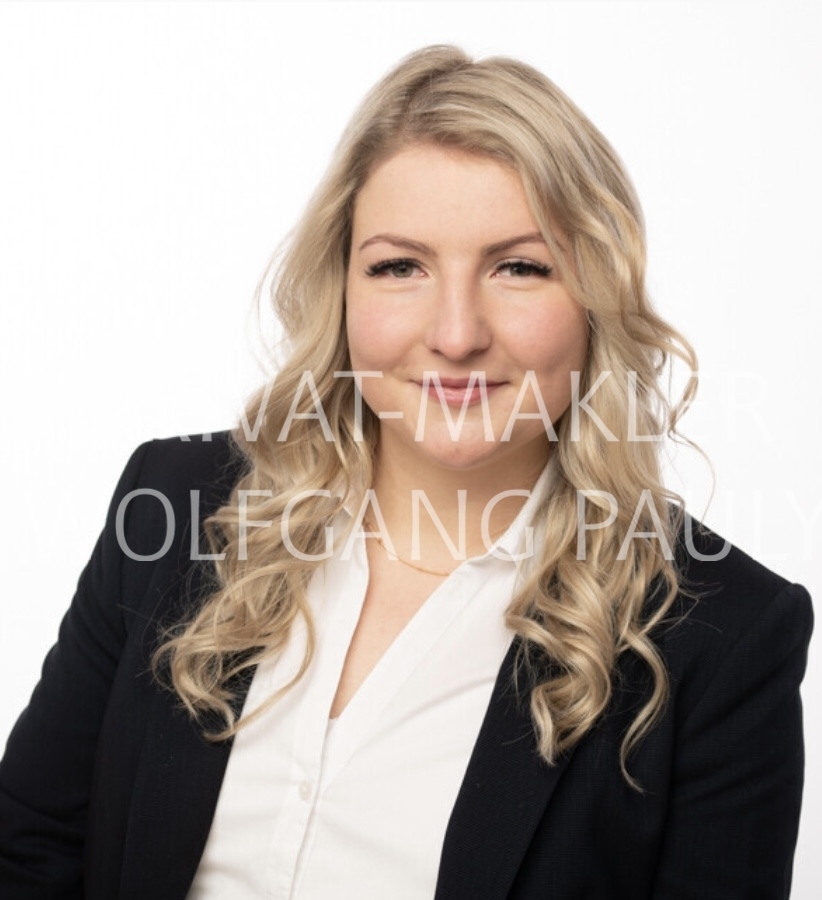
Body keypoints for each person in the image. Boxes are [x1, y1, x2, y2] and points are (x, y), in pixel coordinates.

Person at [0, 45, 812, 900]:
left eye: (519, 267)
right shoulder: (172, 507)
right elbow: (26, 854)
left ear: (596, 297)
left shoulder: (725, 639)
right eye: (400, 267)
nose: (456, 334)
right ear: (341, 286)